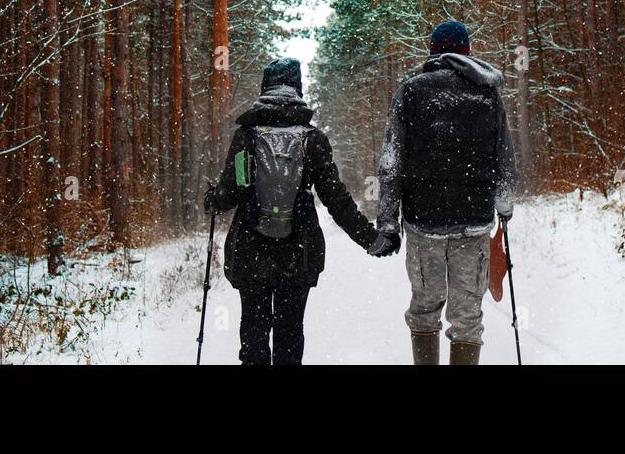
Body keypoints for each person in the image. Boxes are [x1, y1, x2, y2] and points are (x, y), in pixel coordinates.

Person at [205, 57, 393, 364]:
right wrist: (370, 239)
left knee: (253, 330)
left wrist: (214, 198)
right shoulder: (313, 140)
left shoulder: (246, 137)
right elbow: (337, 199)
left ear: (265, 87)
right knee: (290, 330)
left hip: (251, 253)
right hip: (299, 253)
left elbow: (232, 191)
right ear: (298, 88)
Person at [373, 20, 518, 365]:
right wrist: (504, 206)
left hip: (424, 225)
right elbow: (505, 160)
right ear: (466, 50)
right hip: (474, 222)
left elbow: (391, 162)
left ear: (433, 50)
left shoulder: (410, 91)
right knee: (468, 318)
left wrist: (388, 224)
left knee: (424, 310)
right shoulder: (487, 94)